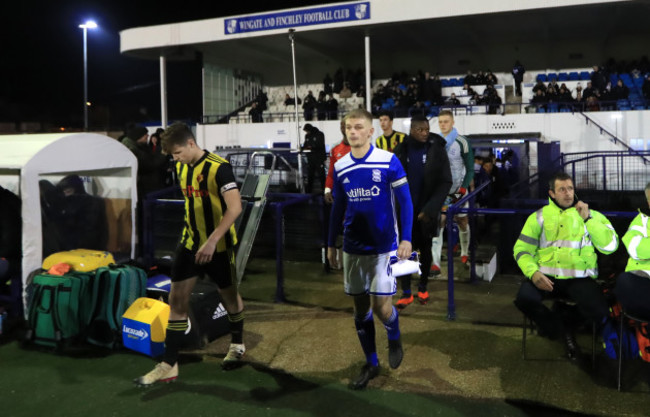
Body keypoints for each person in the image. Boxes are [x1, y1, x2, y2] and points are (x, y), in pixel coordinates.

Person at [134, 122, 245, 386]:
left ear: (191, 144)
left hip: (217, 246)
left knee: (228, 296)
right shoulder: (182, 167)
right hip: (189, 243)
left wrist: (211, 241)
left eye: (177, 153)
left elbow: (235, 207)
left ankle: (237, 344)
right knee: (177, 300)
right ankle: (169, 364)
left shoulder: (219, 167)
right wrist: (197, 241)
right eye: (172, 156)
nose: (175, 159)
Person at [327, 108, 413, 390]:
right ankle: (372, 363)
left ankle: (394, 334)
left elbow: (406, 203)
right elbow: (338, 208)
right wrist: (331, 243)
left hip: (383, 248)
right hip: (353, 248)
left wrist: (407, 238)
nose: (352, 132)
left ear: (370, 131)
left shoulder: (388, 161)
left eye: (358, 127)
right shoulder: (341, 166)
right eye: (348, 127)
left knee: (381, 307)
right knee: (360, 309)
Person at [513, 172, 619, 361]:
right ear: (552, 193)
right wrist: (533, 273)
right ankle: (562, 330)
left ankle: (564, 321)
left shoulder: (591, 215)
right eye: (562, 189)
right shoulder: (538, 217)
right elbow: (521, 250)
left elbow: (610, 247)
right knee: (523, 298)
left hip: (579, 279)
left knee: (599, 310)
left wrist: (589, 220)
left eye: (570, 188)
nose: (568, 193)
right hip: (546, 277)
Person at [392, 115, 452, 308]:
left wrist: (431, 208)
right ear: (412, 130)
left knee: (425, 250)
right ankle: (407, 292)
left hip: (426, 211)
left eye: (427, 129)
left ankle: (423, 287)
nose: (425, 133)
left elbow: (445, 182)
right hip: (404, 212)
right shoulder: (401, 150)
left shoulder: (437, 150)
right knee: (403, 252)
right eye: (421, 130)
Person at [430, 110, 474, 276]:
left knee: (462, 222)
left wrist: (463, 188)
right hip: (441, 192)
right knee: (438, 224)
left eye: (446, 121)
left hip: (458, 191)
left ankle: (464, 252)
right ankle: (435, 263)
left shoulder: (463, 142)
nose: (443, 124)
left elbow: (470, 169)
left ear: (453, 122)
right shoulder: (434, 142)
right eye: (440, 121)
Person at [615, 182, 650, 318]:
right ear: (648, 203)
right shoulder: (639, 222)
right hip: (643, 279)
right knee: (624, 281)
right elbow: (635, 248)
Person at [301, 123, 327, 193]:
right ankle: (309, 191)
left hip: (319, 158)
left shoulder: (320, 134)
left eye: (307, 131)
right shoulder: (307, 136)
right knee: (310, 175)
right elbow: (305, 145)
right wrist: (302, 148)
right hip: (311, 159)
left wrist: (312, 146)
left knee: (321, 175)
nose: (307, 132)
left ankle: (324, 190)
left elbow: (320, 144)